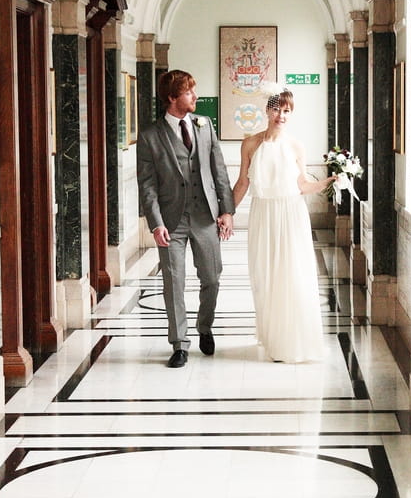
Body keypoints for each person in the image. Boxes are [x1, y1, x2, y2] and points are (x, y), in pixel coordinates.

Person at [137, 69, 235, 368]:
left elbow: (219, 170)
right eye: (189, 92)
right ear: (171, 98)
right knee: (173, 283)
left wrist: (227, 210)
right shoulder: (150, 135)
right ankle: (179, 344)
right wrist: (155, 223)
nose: (195, 96)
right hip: (171, 221)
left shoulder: (204, 126)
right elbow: (147, 184)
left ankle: (205, 327)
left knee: (212, 278)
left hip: (205, 216)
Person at [232, 87, 337, 363]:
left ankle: (293, 343)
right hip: (263, 214)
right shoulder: (250, 144)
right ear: (266, 110)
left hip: (291, 215)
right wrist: (226, 212)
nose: (281, 115)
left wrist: (327, 183)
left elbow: (302, 185)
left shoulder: (296, 146)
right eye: (277, 109)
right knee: (265, 276)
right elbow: (243, 183)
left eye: (287, 110)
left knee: (293, 275)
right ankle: (273, 338)